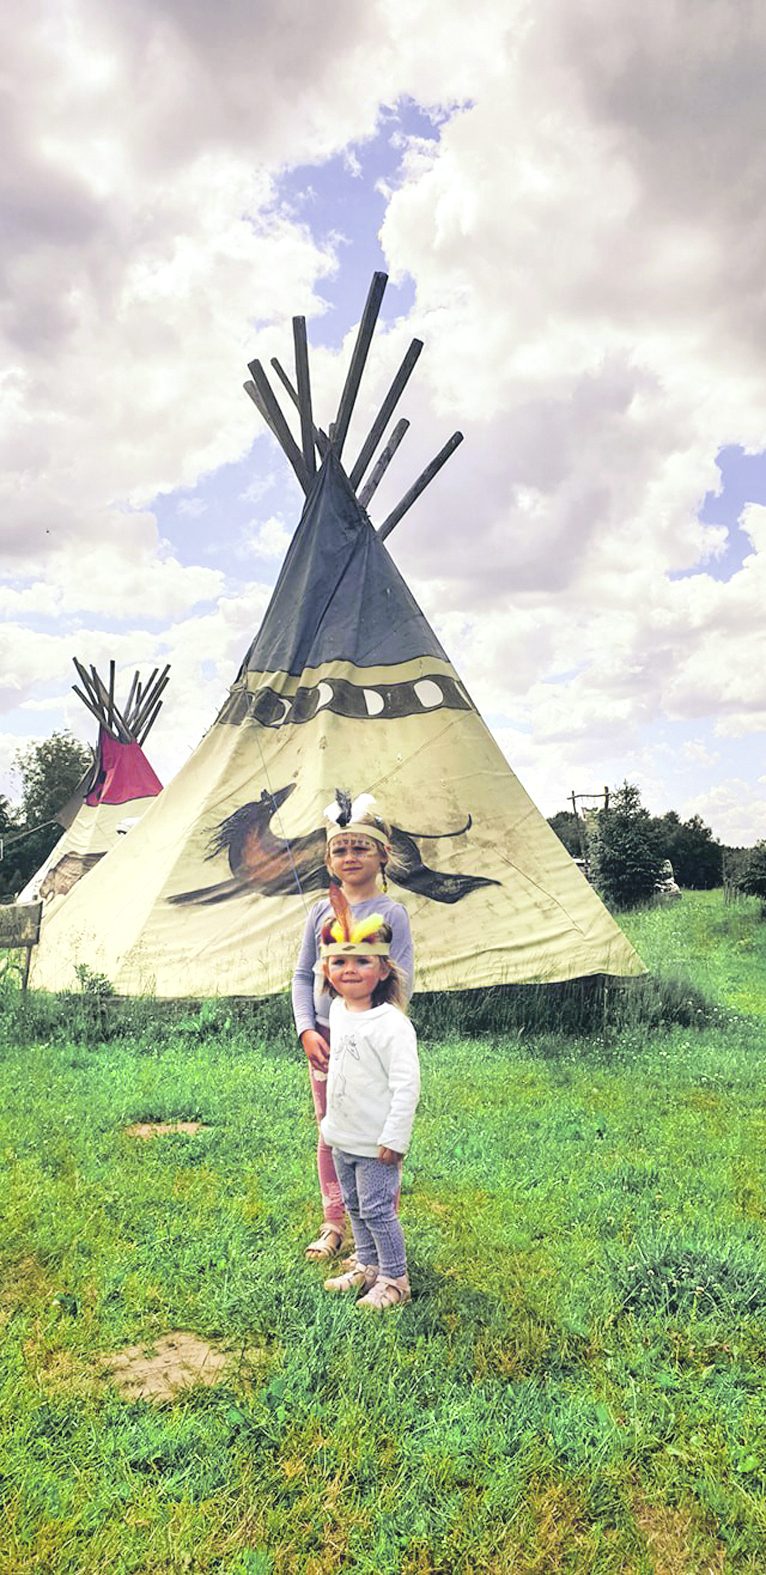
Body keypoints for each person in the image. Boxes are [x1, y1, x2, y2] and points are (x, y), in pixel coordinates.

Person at [291, 792, 414, 1262]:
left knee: (378, 1134)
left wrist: (377, 1036)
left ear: (382, 854)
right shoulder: (319, 914)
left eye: (361, 847)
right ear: (329, 859)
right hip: (326, 1041)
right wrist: (307, 1029)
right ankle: (335, 1222)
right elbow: (304, 974)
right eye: (340, 849)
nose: (350, 857)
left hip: (371, 1043)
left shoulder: (393, 915)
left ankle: (382, 1222)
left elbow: (399, 981)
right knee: (332, 1131)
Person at [319, 895, 420, 1309]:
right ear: (326, 969)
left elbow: (405, 1085)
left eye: (362, 962)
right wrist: (331, 1129)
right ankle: (368, 1264)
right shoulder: (341, 1011)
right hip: (344, 1136)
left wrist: (395, 1137)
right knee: (356, 1206)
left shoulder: (392, 1025)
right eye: (340, 962)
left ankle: (396, 1279)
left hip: (376, 1142)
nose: (351, 971)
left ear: (382, 970)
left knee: (378, 1209)